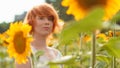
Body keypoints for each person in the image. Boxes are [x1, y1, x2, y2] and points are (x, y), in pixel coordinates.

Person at [15, 3, 63, 68]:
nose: (47, 22)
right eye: (41, 18)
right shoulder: (25, 53)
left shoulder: (57, 54)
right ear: (31, 22)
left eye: (50, 19)